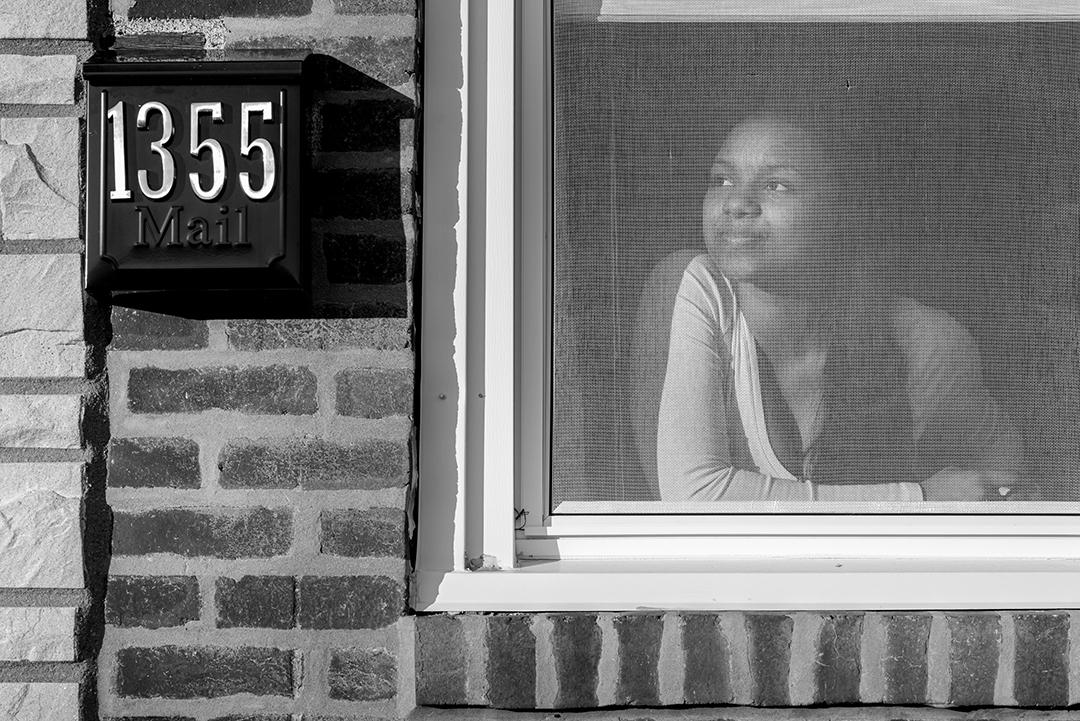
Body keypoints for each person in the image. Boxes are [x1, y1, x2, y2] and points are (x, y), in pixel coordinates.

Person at [656, 112, 1025, 502]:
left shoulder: (924, 341)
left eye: (776, 185)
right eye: (722, 180)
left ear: (842, 208)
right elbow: (690, 500)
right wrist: (920, 498)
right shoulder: (693, 288)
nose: (736, 203)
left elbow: (1008, 477)